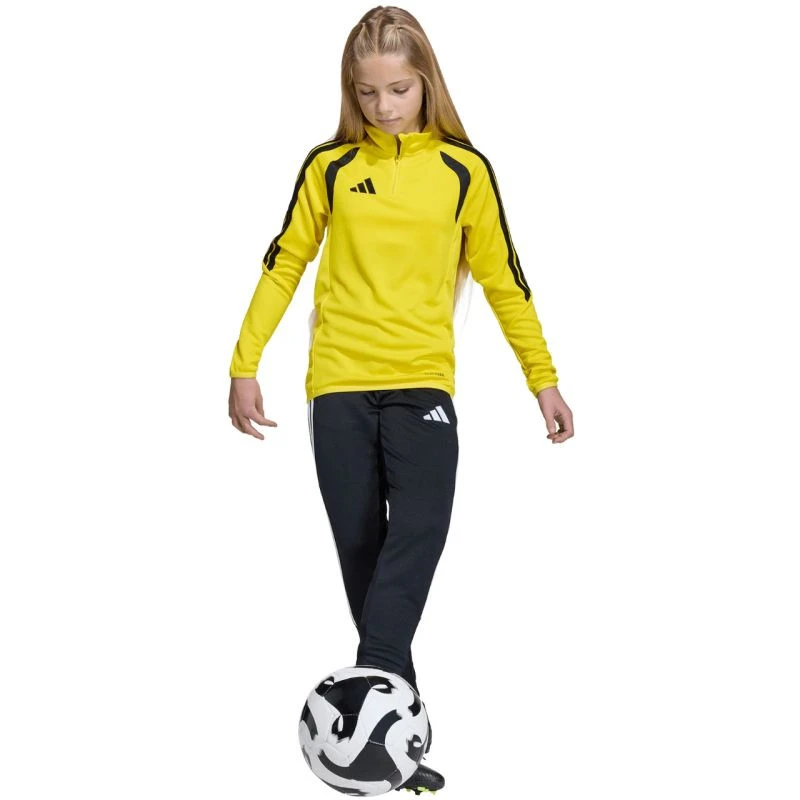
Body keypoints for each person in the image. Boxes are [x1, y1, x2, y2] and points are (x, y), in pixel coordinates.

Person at [228, 5, 574, 793]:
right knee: (362, 551)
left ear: (427, 84)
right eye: (367, 92)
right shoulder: (329, 167)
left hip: (422, 380)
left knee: (417, 532)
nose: (383, 106)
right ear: (350, 91)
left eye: (398, 90)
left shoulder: (463, 170)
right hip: (339, 383)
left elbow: (505, 282)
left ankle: (366, 707)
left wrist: (543, 380)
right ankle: (395, 747)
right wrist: (244, 364)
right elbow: (284, 263)